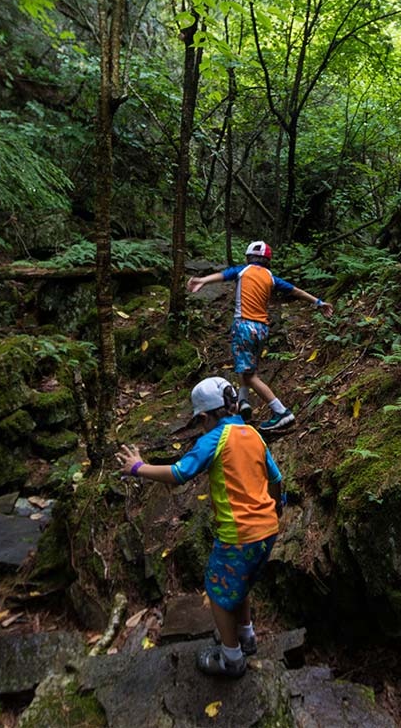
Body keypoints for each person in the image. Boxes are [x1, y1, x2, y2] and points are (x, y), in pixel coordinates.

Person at [115, 376, 284, 678]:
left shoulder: (213, 439)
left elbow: (180, 472)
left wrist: (138, 468)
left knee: (217, 591)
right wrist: (278, 505)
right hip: (267, 529)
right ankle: (245, 636)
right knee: (240, 582)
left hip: (238, 534)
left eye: (199, 421)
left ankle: (231, 658)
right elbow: (276, 478)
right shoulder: (253, 434)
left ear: (204, 417)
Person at [187, 240, 334, 431]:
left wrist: (202, 280)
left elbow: (223, 275)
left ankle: (281, 412)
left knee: (249, 376)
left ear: (249, 257)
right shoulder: (271, 277)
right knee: (245, 366)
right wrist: (318, 302)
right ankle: (243, 401)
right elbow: (295, 290)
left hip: (244, 326)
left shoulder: (242, 271)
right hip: (262, 329)